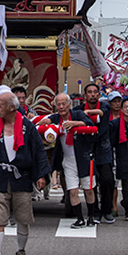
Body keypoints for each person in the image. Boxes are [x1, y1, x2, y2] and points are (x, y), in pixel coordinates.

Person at [0, 90, 49, 255]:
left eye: (0, 105)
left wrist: (41, 175)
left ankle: (21, 250)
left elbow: (39, 152)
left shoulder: (27, 127)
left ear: (11, 107)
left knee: (23, 217)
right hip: (0, 177)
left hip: (21, 178)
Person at [43, 93, 97, 228]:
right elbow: (45, 122)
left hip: (84, 158)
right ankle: (79, 219)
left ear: (69, 104)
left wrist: (74, 124)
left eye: (64, 104)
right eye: (58, 104)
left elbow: (90, 124)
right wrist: (43, 123)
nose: (61, 107)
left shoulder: (78, 114)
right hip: (68, 160)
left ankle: (91, 216)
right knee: (72, 190)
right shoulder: (56, 118)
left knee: (88, 189)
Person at [74, 83, 115, 223]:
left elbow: (102, 114)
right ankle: (94, 211)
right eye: (89, 92)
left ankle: (107, 210)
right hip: (86, 148)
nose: (92, 94)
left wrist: (86, 114)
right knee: (90, 182)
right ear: (85, 96)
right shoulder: (78, 109)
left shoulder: (105, 107)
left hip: (103, 148)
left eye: (95, 92)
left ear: (98, 95)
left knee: (107, 179)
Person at [107, 90, 122, 216]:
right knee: (113, 180)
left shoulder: (126, 116)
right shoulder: (106, 116)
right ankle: (113, 206)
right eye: (114, 102)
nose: (117, 104)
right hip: (110, 150)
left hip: (124, 150)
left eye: (119, 101)